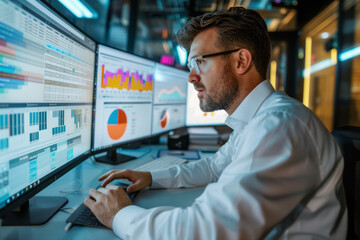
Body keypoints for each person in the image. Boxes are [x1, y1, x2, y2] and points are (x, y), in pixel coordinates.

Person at [84, 7, 347, 239]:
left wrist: (120, 214)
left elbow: (206, 231)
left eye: (200, 61)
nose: (191, 77)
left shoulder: (278, 127)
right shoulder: (259, 119)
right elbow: (214, 167)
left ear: (241, 61)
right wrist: (152, 177)